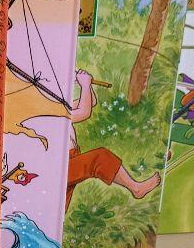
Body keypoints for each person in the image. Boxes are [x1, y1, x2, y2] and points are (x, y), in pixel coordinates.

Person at [66, 69, 160, 209]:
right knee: (100, 158)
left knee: (62, 199)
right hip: (60, 165)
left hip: (70, 157)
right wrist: (85, 85)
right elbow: (83, 112)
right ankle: (136, 188)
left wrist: (86, 85)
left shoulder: (55, 105)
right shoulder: (45, 110)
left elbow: (91, 102)